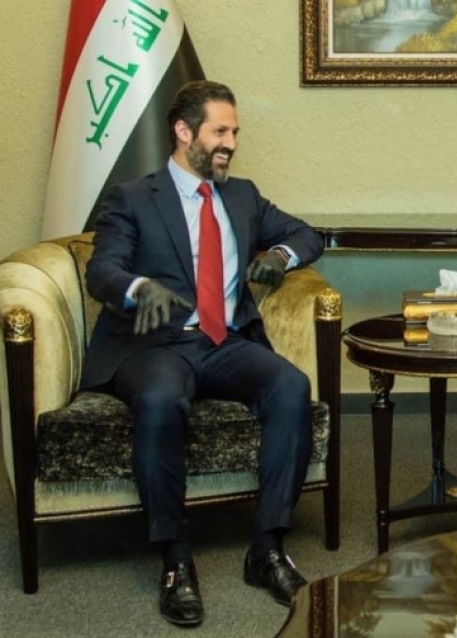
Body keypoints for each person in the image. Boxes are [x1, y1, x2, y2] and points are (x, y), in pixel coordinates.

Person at [81, 80, 325, 626]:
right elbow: (102, 269)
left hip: (223, 342)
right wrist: (138, 287)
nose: (230, 143)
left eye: (234, 132)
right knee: (161, 400)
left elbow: (307, 234)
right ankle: (175, 559)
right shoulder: (132, 197)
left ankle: (267, 547)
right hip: (155, 343)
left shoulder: (242, 195)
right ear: (184, 131)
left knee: (290, 386)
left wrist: (280, 256)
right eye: (220, 131)